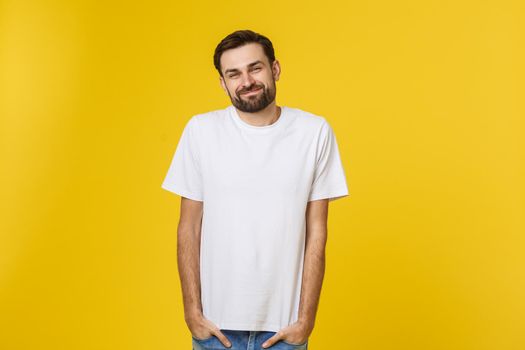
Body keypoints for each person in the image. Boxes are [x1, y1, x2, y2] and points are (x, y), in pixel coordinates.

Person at [161, 29, 350, 350]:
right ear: (223, 82)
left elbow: (317, 231)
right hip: (215, 329)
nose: (246, 80)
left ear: (275, 69)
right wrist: (192, 312)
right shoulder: (201, 131)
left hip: (284, 329)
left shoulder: (314, 132)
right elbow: (188, 228)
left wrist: (306, 320)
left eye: (255, 68)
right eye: (233, 73)